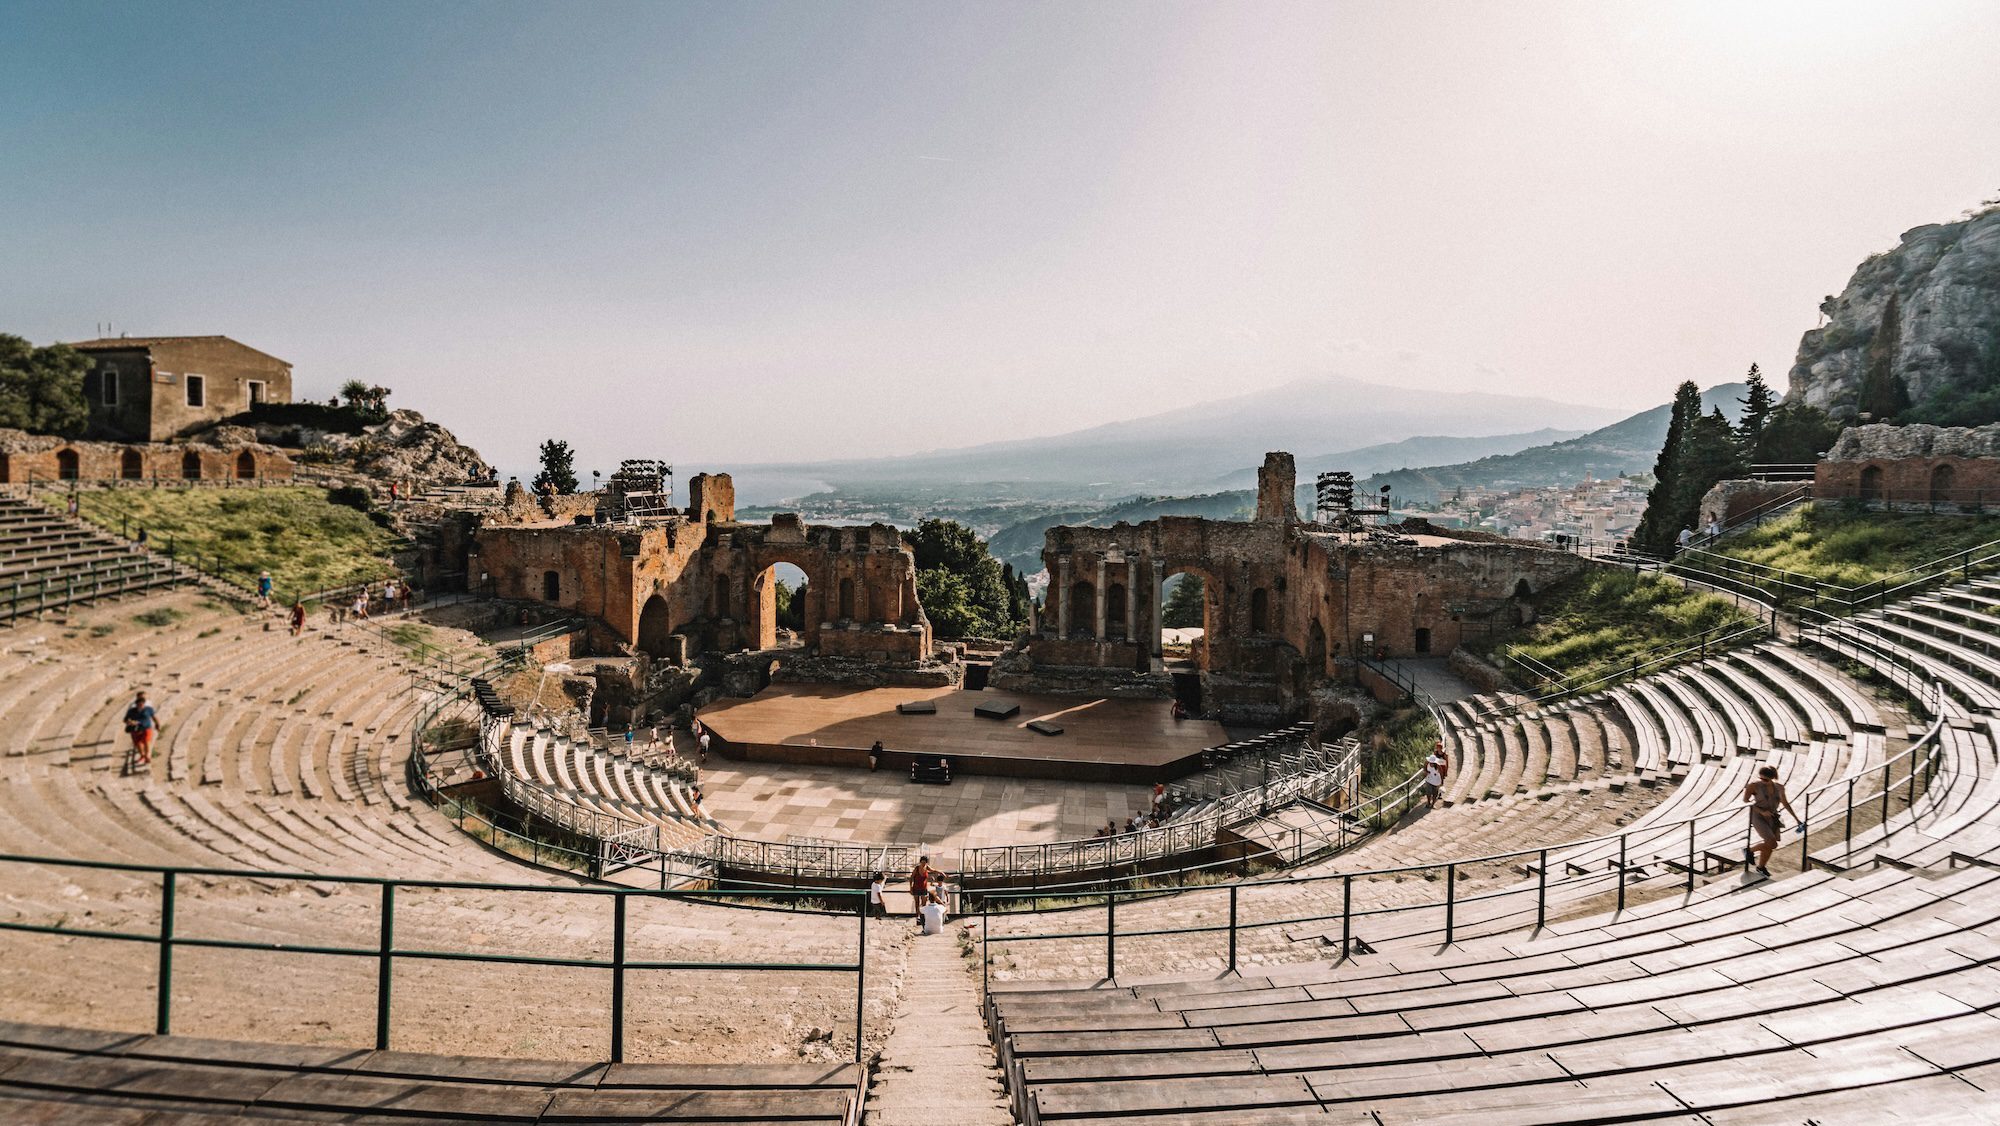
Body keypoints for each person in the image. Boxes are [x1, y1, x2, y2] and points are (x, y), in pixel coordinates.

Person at [1742, 764, 1801, 879]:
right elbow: (1746, 800)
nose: (1762, 781)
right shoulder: (1753, 786)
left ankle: (1761, 866)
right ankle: (1749, 851)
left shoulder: (1779, 787)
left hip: (1772, 816)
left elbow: (1785, 803)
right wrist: (1761, 811)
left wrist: (1797, 819)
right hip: (1758, 815)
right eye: (1761, 778)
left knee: (1770, 845)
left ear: (1772, 778)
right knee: (1771, 842)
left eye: (1765, 779)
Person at [124, 692, 160, 770]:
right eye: (139, 703)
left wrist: (157, 724)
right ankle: (143, 756)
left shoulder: (148, 708)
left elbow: (153, 717)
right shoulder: (131, 709)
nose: (141, 705)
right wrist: (130, 722)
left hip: (147, 728)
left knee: (147, 741)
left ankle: (147, 756)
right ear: (136, 703)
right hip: (135, 730)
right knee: (139, 744)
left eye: (142, 703)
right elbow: (126, 719)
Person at [908, 856, 933, 927]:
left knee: (924, 902)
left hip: (924, 888)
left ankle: (922, 915)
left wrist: (941, 872)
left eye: (924, 862)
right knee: (917, 902)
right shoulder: (917, 868)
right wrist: (910, 888)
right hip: (916, 887)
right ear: (920, 862)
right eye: (922, 862)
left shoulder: (927, 867)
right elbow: (911, 877)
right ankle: (918, 916)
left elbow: (933, 870)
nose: (923, 863)